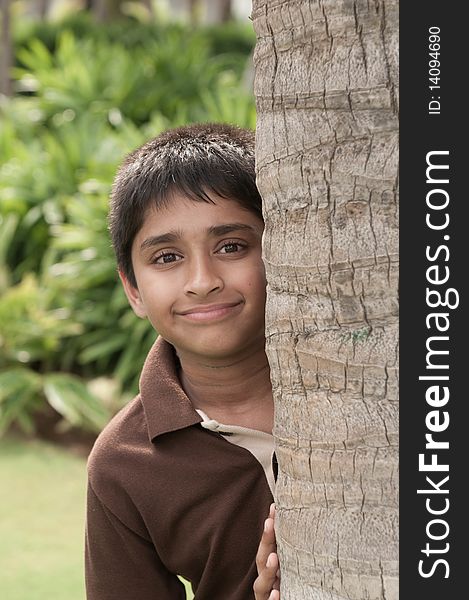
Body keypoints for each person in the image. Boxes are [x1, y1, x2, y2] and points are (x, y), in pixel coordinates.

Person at [85, 123, 280, 599]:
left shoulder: (373, 386)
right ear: (133, 288)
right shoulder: (125, 463)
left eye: (231, 247)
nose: (202, 280)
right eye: (167, 257)